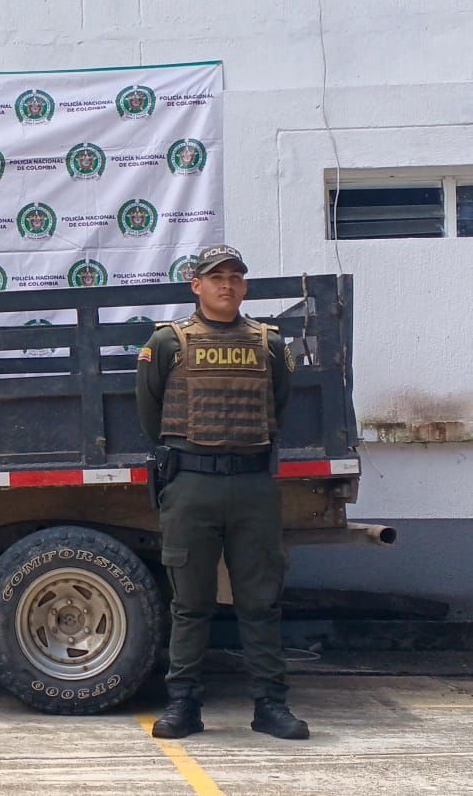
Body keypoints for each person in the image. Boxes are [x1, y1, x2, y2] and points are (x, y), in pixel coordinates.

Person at [135, 244, 309, 741]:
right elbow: (150, 415)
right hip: (191, 485)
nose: (226, 285)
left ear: (245, 286)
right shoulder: (167, 344)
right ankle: (184, 706)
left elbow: (278, 401)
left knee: (260, 602)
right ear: (196, 285)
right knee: (191, 604)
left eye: (235, 277)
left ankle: (270, 706)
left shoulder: (269, 344)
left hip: (253, 485)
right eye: (215, 277)